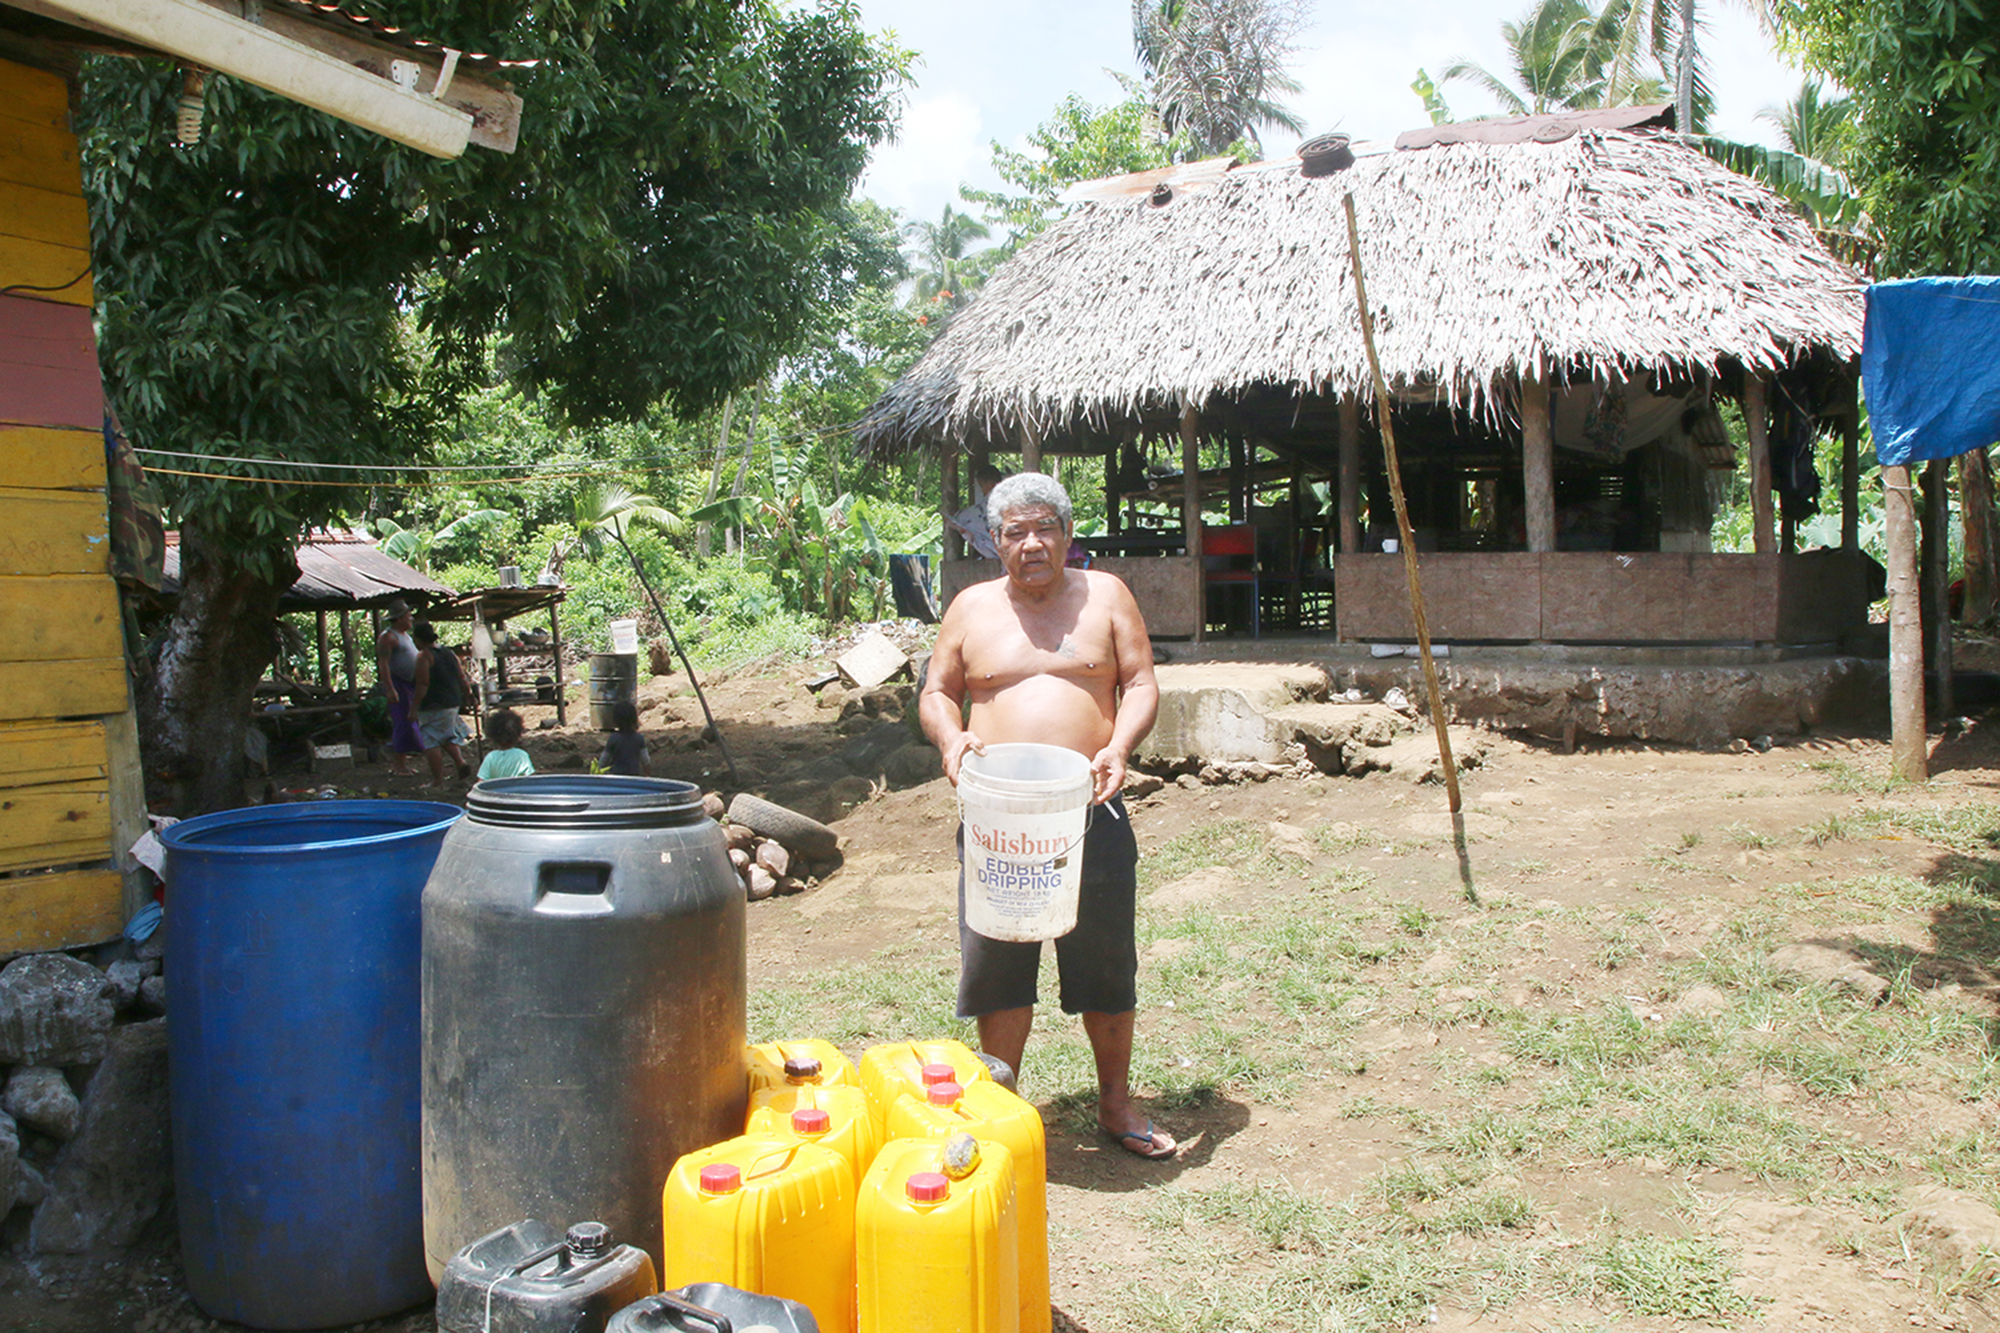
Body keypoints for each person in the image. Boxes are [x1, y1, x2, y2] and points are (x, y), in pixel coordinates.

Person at [919, 471, 1173, 1160]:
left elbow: (1142, 680)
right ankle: (1001, 1108)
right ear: (993, 541)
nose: (1031, 543)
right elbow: (937, 693)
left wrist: (1120, 744)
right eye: (1014, 532)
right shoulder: (970, 608)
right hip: (999, 819)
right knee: (999, 962)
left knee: (1106, 962)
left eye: (1044, 528)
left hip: (1090, 809)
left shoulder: (1106, 597)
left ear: (1066, 534)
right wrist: (952, 737)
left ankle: (1115, 1103)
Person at [410, 621, 473, 785]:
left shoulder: (424, 656)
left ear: (417, 639)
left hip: (433, 704)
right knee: (446, 736)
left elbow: (422, 684)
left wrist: (414, 708)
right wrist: (468, 694)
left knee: (430, 741)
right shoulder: (448, 653)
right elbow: (461, 676)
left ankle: (437, 779)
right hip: (452, 702)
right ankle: (460, 762)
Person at [375, 599, 423, 776]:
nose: (411, 620)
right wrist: (390, 688)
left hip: (410, 683)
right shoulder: (388, 637)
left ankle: (404, 761)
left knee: (411, 720)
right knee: (402, 722)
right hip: (398, 683)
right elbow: (384, 664)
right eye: (408, 617)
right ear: (399, 618)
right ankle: (399, 765)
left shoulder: (405, 636)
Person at [947, 464, 1005, 560]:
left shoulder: (989, 503)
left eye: (982, 486)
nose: (982, 490)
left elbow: (970, 518)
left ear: (989, 484)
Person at [476, 708, 535, 781]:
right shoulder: (522, 756)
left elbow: (480, 783)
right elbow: (531, 780)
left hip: (494, 792)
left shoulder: (490, 757)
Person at [598, 699, 650, 776]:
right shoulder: (639, 738)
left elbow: (603, 762)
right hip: (633, 778)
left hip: (616, 778)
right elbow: (646, 761)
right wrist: (647, 775)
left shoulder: (613, 738)